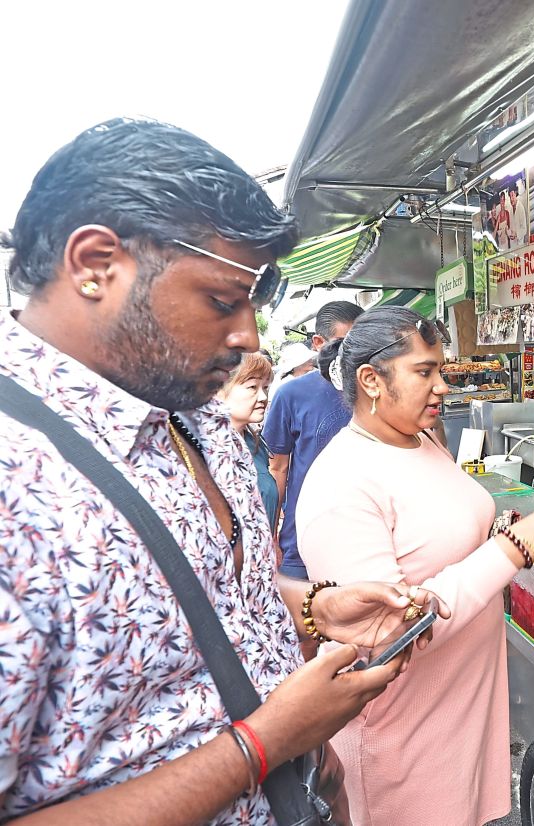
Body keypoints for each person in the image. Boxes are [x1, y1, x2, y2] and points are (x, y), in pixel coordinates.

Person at [0, 118, 422, 824]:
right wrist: (267, 742)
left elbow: (206, 610)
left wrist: (311, 608)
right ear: (96, 263)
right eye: (223, 301)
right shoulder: (18, 483)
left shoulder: (192, 411)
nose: (249, 336)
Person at [296, 307, 534, 825]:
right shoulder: (342, 482)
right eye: (424, 371)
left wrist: (498, 531)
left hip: (460, 709)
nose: (443, 387)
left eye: (442, 370)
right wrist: (514, 549)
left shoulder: (423, 440)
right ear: (371, 380)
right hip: (403, 733)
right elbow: (388, 631)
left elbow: (442, 535)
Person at [263, 300, 363, 578]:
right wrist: (271, 534)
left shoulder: (375, 387)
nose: (356, 353)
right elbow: (278, 468)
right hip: (303, 538)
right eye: (345, 343)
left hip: (365, 535)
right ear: (319, 342)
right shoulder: (291, 394)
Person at [218, 351, 279, 530]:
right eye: (253, 387)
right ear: (219, 390)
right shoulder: (204, 451)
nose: (263, 397)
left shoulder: (254, 443)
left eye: (265, 387)